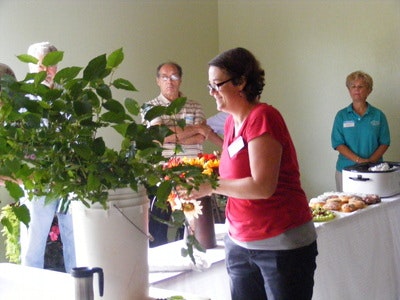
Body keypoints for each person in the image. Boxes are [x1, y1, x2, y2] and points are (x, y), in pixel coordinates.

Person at [188, 47, 318, 300]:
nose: (212, 93)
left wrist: (211, 185)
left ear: (241, 82)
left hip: (280, 244)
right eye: (209, 87)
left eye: (217, 85)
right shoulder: (230, 123)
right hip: (239, 243)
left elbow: (262, 186)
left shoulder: (263, 117)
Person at [142, 61, 222, 247]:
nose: (169, 81)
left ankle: (196, 257)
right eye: (164, 77)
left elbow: (200, 139)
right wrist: (194, 128)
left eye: (174, 76)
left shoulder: (195, 105)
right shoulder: (149, 107)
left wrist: (170, 134)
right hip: (162, 173)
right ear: (157, 81)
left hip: (193, 173)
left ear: (180, 79)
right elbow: (159, 138)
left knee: (195, 226)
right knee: (159, 227)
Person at [19, 42, 76, 273]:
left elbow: (76, 134)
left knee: (75, 239)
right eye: (43, 66)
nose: (48, 71)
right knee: (34, 241)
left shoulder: (67, 95)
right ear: (33, 66)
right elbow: (18, 141)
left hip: (68, 178)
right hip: (37, 179)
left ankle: (80, 289)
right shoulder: (22, 99)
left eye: (52, 66)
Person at [331, 70, 390, 192]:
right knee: (348, 207)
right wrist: (359, 161)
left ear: (369, 90)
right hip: (346, 171)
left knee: (374, 207)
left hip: (374, 171)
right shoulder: (341, 116)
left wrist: (370, 162)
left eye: (361, 86)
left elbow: (384, 142)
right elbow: (338, 144)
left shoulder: (378, 115)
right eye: (353, 86)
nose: (357, 89)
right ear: (349, 90)